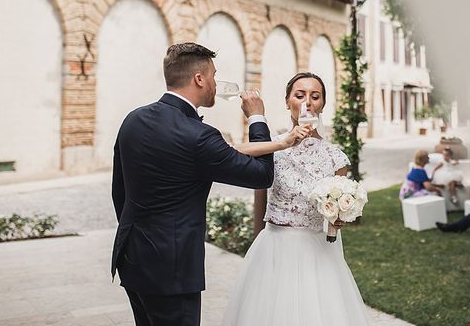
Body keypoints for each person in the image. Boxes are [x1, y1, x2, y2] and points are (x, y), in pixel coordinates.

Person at [111, 43, 310, 326]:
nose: (216, 84)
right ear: (199, 79)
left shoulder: (133, 120)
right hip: (173, 269)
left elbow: (120, 190)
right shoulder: (199, 136)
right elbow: (262, 175)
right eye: (214, 76)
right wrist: (256, 117)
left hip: (132, 259)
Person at [221, 72, 370, 326]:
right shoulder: (272, 147)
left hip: (318, 252)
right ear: (287, 101)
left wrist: (338, 219)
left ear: (323, 104)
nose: (307, 102)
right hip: (275, 246)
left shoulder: (336, 157)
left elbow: (334, 219)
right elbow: (231, 154)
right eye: (299, 95)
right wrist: (281, 143)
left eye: (315, 96)